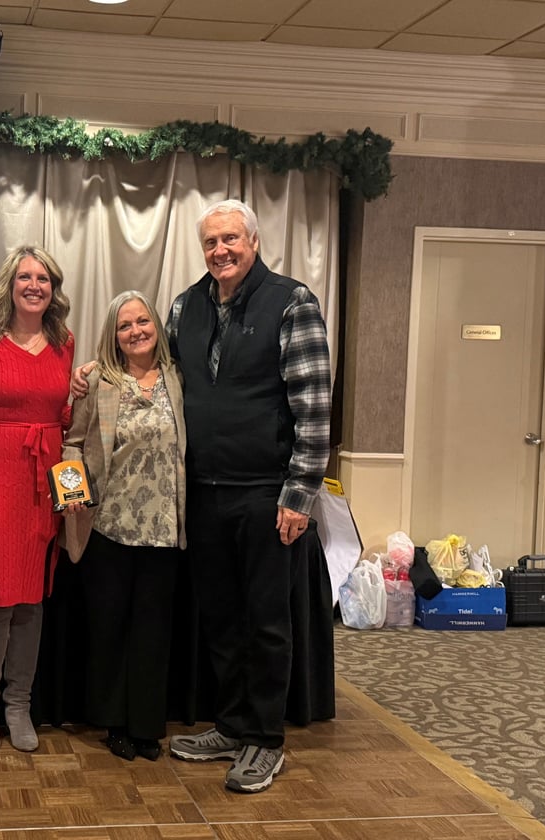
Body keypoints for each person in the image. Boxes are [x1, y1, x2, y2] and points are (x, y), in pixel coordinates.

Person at [72, 199, 331, 793]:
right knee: (221, 618)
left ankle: (264, 739)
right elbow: (147, 365)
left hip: (266, 493)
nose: (220, 250)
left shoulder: (292, 302)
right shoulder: (185, 306)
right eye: (211, 242)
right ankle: (233, 725)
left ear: (254, 242)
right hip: (201, 496)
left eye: (231, 239)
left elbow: (315, 406)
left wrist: (299, 494)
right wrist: (93, 368)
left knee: (266, 621)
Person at [61, 290, 186, 762]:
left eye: (142, 322)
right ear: (113, 335)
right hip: (108, 526)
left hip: (164, 528)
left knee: (153, 632)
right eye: (124, 325)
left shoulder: (177, 378)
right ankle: (114, 723)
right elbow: (72, 442)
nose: (136, 331)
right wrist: (71, 494)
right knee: (110, 629)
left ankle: (146, 726)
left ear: (156, 326)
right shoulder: (98, 380)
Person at [0, 245, 75, 752]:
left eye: (43, 278)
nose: (34, 286)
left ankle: (19, 703)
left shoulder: (64, 343)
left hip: (43, 478)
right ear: (9, 285)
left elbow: (63, 419)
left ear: (53, 288)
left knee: (32, 596)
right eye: (25, 277)